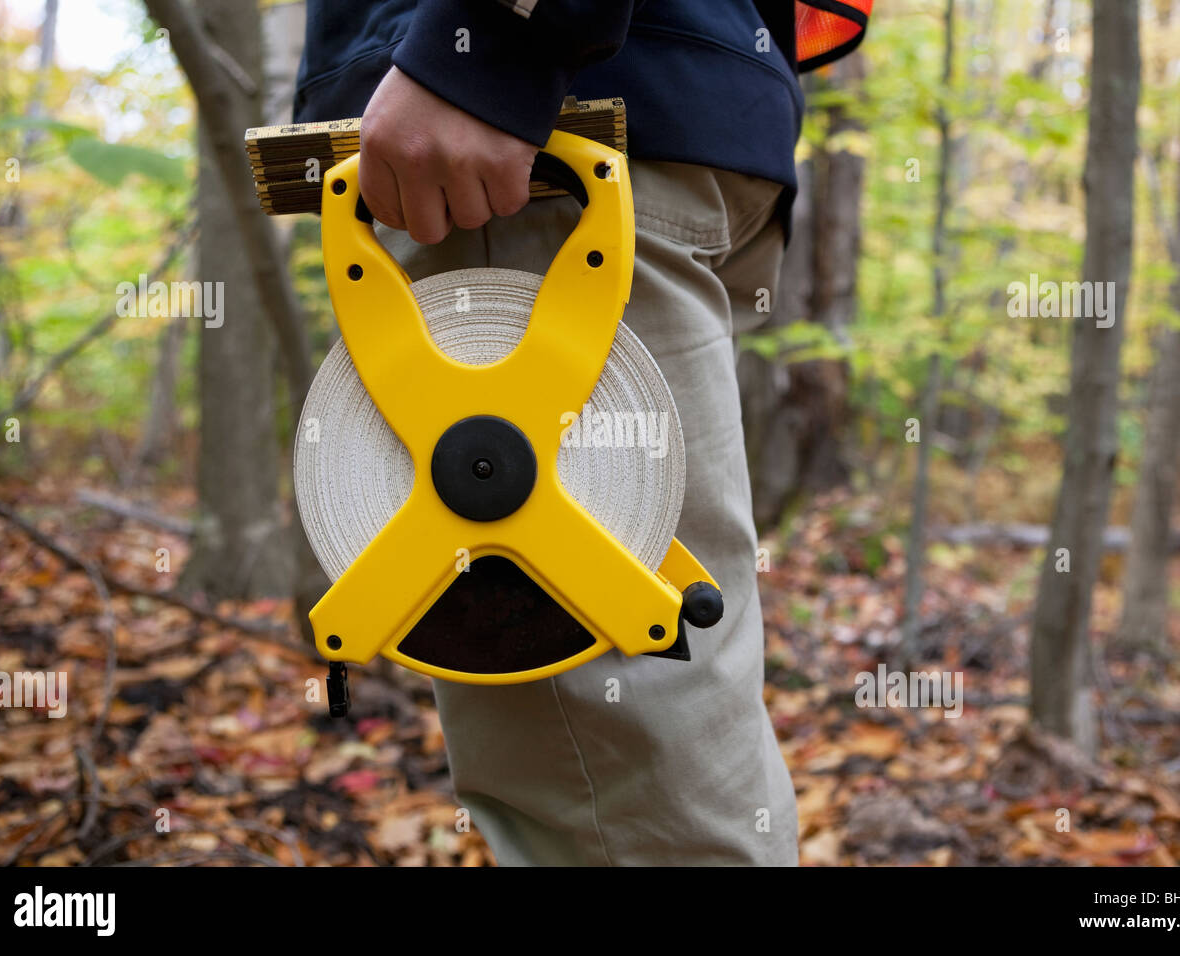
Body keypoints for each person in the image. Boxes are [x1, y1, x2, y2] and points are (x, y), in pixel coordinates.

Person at [294, 0, 869, 866]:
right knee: (663, 760)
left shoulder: (496, 64)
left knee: (640, 817)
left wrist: (488, 46)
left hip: (525, 137)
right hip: (655, 112)